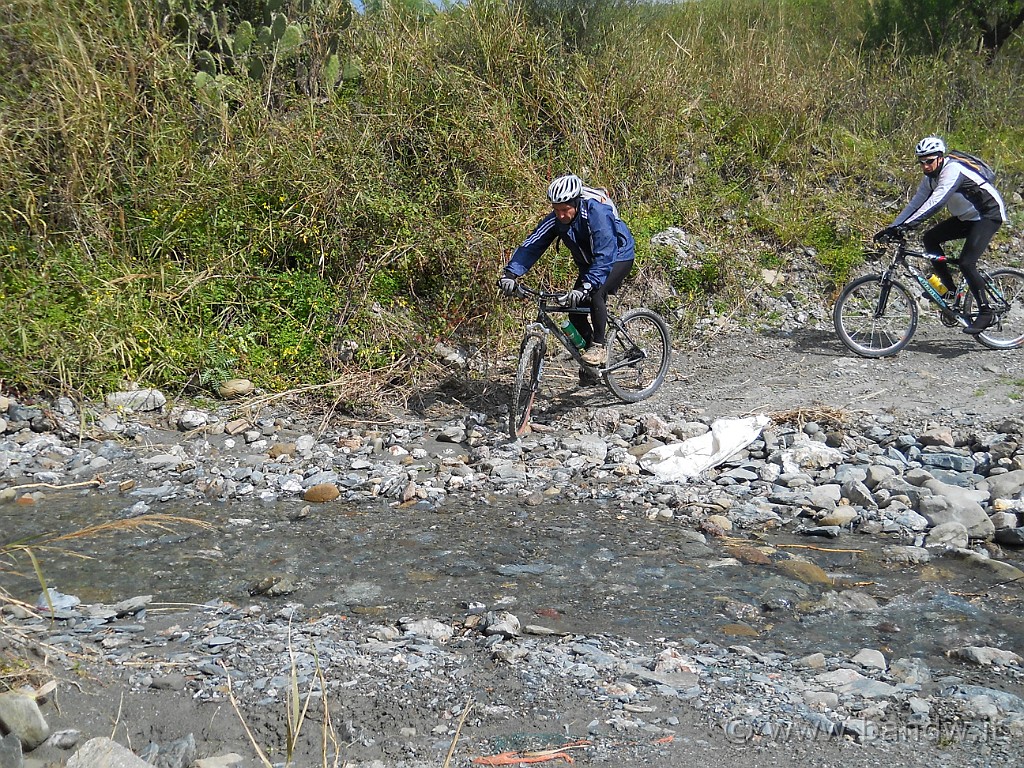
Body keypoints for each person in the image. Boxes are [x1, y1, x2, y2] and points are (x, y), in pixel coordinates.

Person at [497, 174, 636, 374]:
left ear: (577, 202)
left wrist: (587, 285)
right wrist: (510, 274)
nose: (561, 215)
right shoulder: (556, 219)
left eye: (565, 210)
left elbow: (605, 254)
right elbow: (532, 244)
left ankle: (599, 347)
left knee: (595, 293)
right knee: (574, 311)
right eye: (556, 210)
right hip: (591, 263)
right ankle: (590, 362)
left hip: (618, 257)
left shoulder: (597, 213)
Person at [874, 135, 1008, 334]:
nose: (925, 166)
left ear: (940, 157)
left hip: (988, 215)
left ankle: (985, 311)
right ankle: (949, 290)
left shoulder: (953, 170)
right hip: (966, 218)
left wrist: (907, 227)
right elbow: (915, 204)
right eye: (921, 162)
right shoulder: (929, 179)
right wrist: (892, 227)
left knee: (966, 263)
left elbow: (936, 202)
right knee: (930, 239)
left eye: (929, 161)